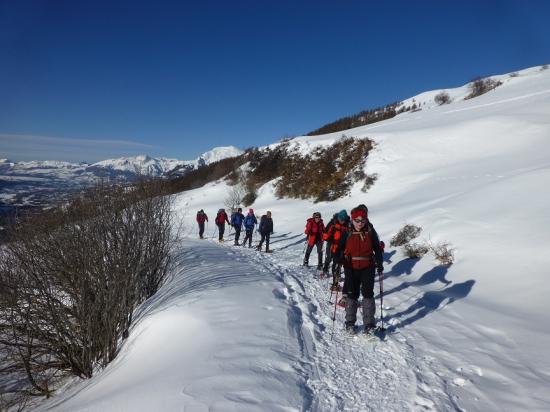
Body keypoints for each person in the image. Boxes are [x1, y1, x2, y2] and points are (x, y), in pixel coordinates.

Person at [342, 205, 383, 334]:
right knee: (352, 294)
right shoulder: (347, 231)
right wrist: (338, 259)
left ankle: (369, 324)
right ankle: (349, 323)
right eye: (357, 220)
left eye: (363, 220)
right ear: (352, 220)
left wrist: (380, 263)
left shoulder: (370, 230)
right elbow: (339, 248)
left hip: (367, 266)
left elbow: (377, 248)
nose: (360, 223)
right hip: (350, 267)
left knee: (368, 294)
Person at [325, 210, 350, 291]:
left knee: (346, 266)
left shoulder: (349, 224)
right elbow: (325, 234)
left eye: (343, 219)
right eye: (340, 219)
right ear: (338, 217)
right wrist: (330, 238)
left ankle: (347, 284)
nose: (342, 221)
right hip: (335, 248)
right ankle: (335, 283)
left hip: (346, 249)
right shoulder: (333, 223)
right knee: (336, 264)